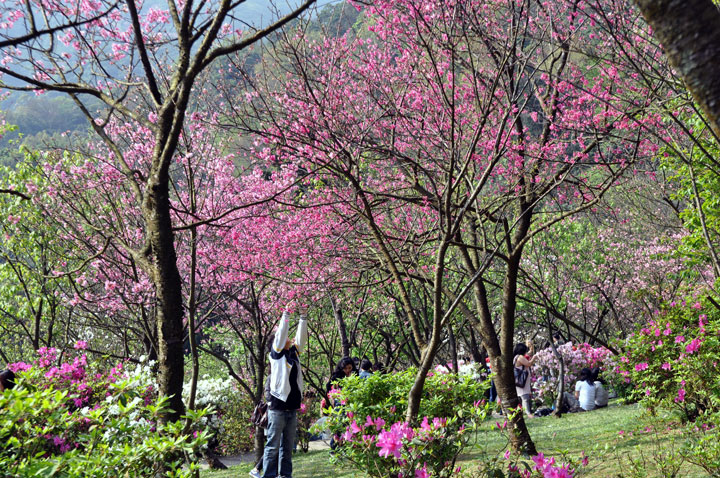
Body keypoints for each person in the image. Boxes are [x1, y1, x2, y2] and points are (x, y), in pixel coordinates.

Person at [261, 309, 308, 478]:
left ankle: (285, 476)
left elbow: (301, 340)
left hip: (292, 408)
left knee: (287, 448)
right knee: (273, 446)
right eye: (286, 337)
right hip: (278, 408)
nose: (289, 338)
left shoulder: (293, 353)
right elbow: (281, 335)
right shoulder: (276, 355)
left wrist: (303, 317)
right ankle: (269, 475)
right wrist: (286, 315)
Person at [513, 341, 535, 418]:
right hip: (522, 380)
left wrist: (531, 347)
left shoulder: (516, 357)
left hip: (521, 380)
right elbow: (528, 364)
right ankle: (528, 414)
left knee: (522, 396)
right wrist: (534, 358)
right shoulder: (520, 357)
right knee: (524, 397)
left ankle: (522, 412)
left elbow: (528, 354)